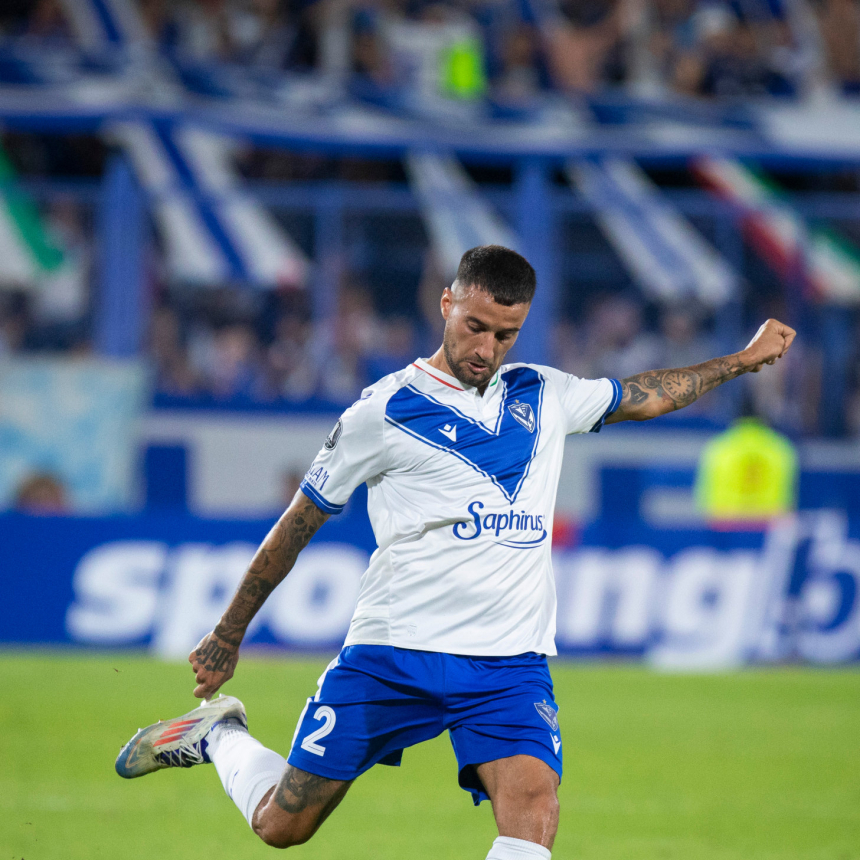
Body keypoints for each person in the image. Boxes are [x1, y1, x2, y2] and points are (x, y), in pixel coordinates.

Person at [115, 245, 796, 859]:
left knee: (533, 816)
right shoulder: (382, 413)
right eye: (476, 326)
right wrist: (228, 633)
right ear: (446, 303)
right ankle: (219, 735)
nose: (487, 348)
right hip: (393, 655)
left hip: (508, 667)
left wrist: (740, 360)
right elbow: (295, 528)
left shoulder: (545, 394)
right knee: (282, 826)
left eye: (506, 334)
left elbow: (644, 396)